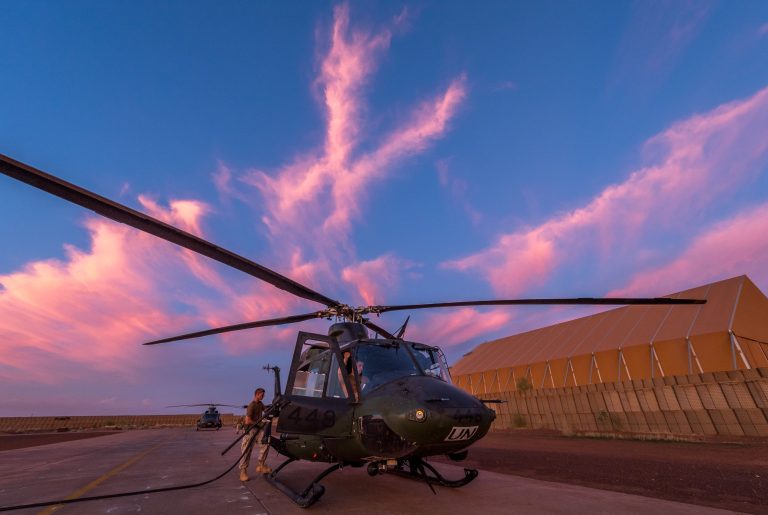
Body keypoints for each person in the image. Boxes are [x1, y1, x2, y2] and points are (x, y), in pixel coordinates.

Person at [239, 388, 271, 481]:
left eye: (263, 395)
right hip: (251, 430)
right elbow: (247, 421)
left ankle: (261, 465)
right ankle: (243, 471)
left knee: (266, 442)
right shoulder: (251, 406)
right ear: (257, 394)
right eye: (262, 395)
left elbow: (267, 410)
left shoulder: (260, 404)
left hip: (259, 429)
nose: (263, 397)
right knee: (246, 450)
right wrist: (259, 423)